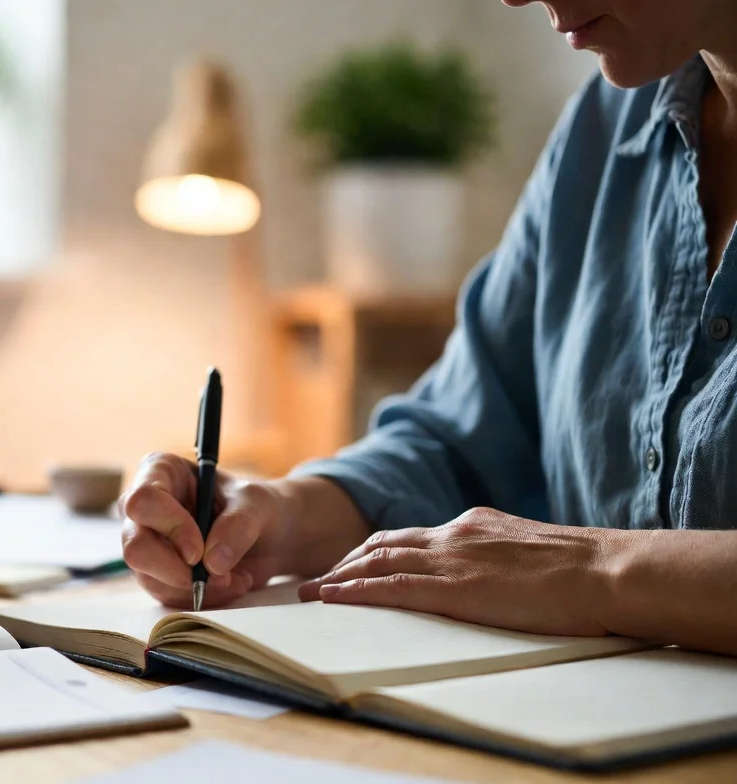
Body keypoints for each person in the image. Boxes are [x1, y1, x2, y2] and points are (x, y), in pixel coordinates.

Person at [119, 0, 737, 658]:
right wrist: (279, 514)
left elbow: (557, 561)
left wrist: (595, 574)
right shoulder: (604, 131)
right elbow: (461, 434)